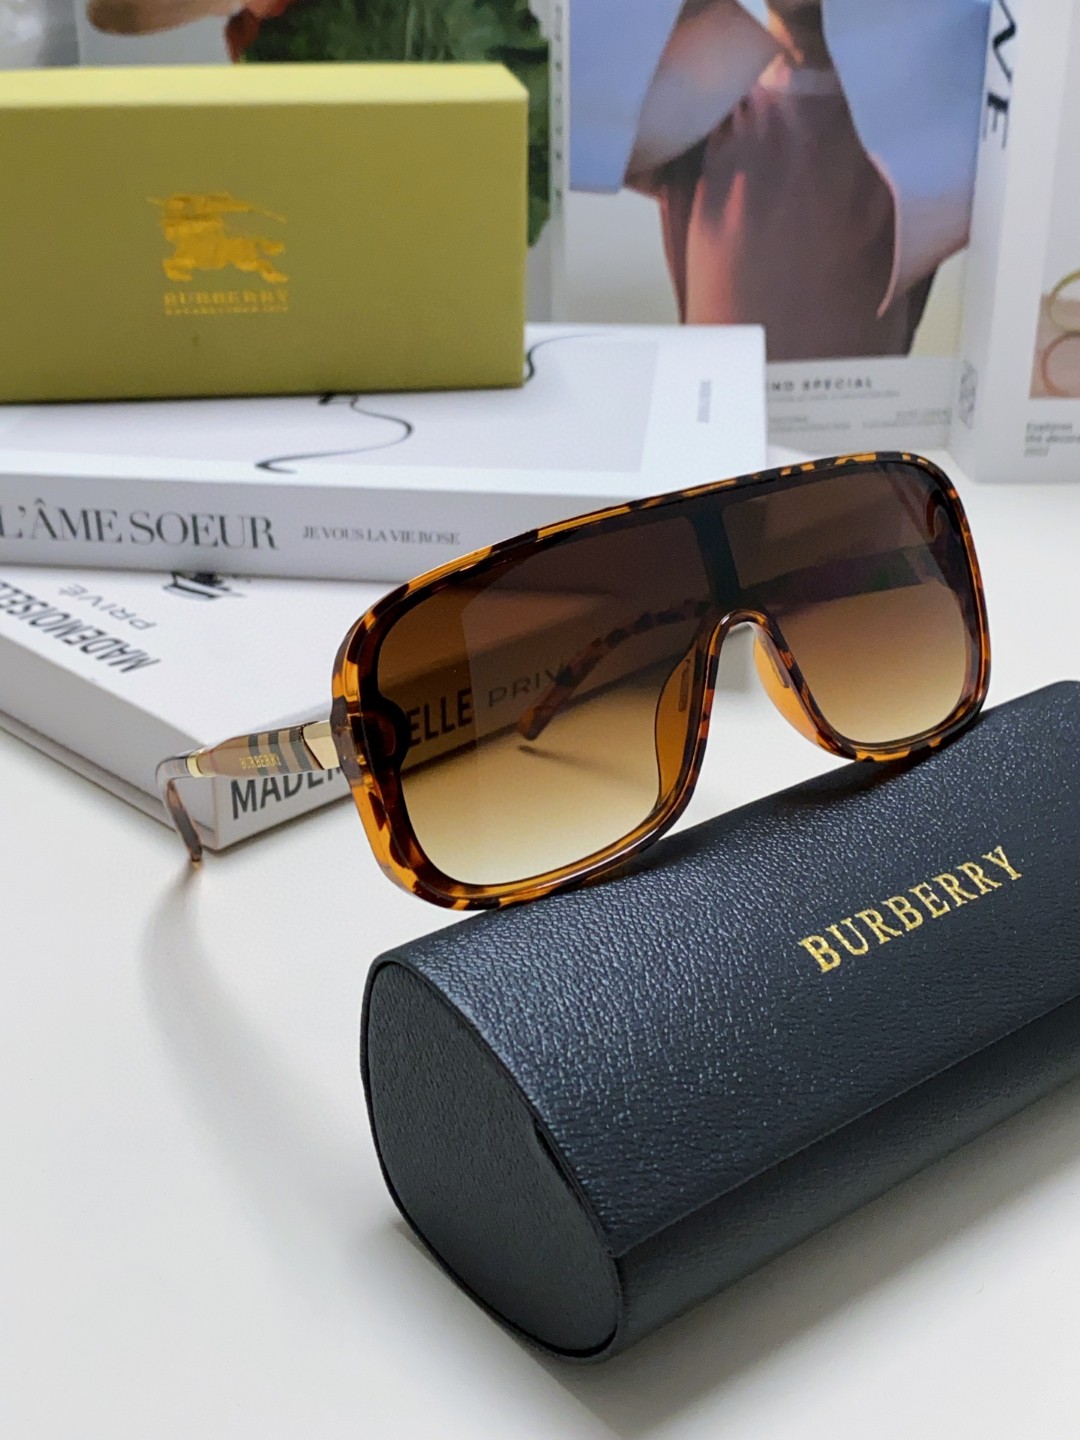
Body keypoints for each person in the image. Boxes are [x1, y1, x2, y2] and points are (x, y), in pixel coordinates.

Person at [571, 0, 992, 361]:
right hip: (720, 417)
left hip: (864, 424)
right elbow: (582, 91)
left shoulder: (924, 131)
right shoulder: (701, 109)